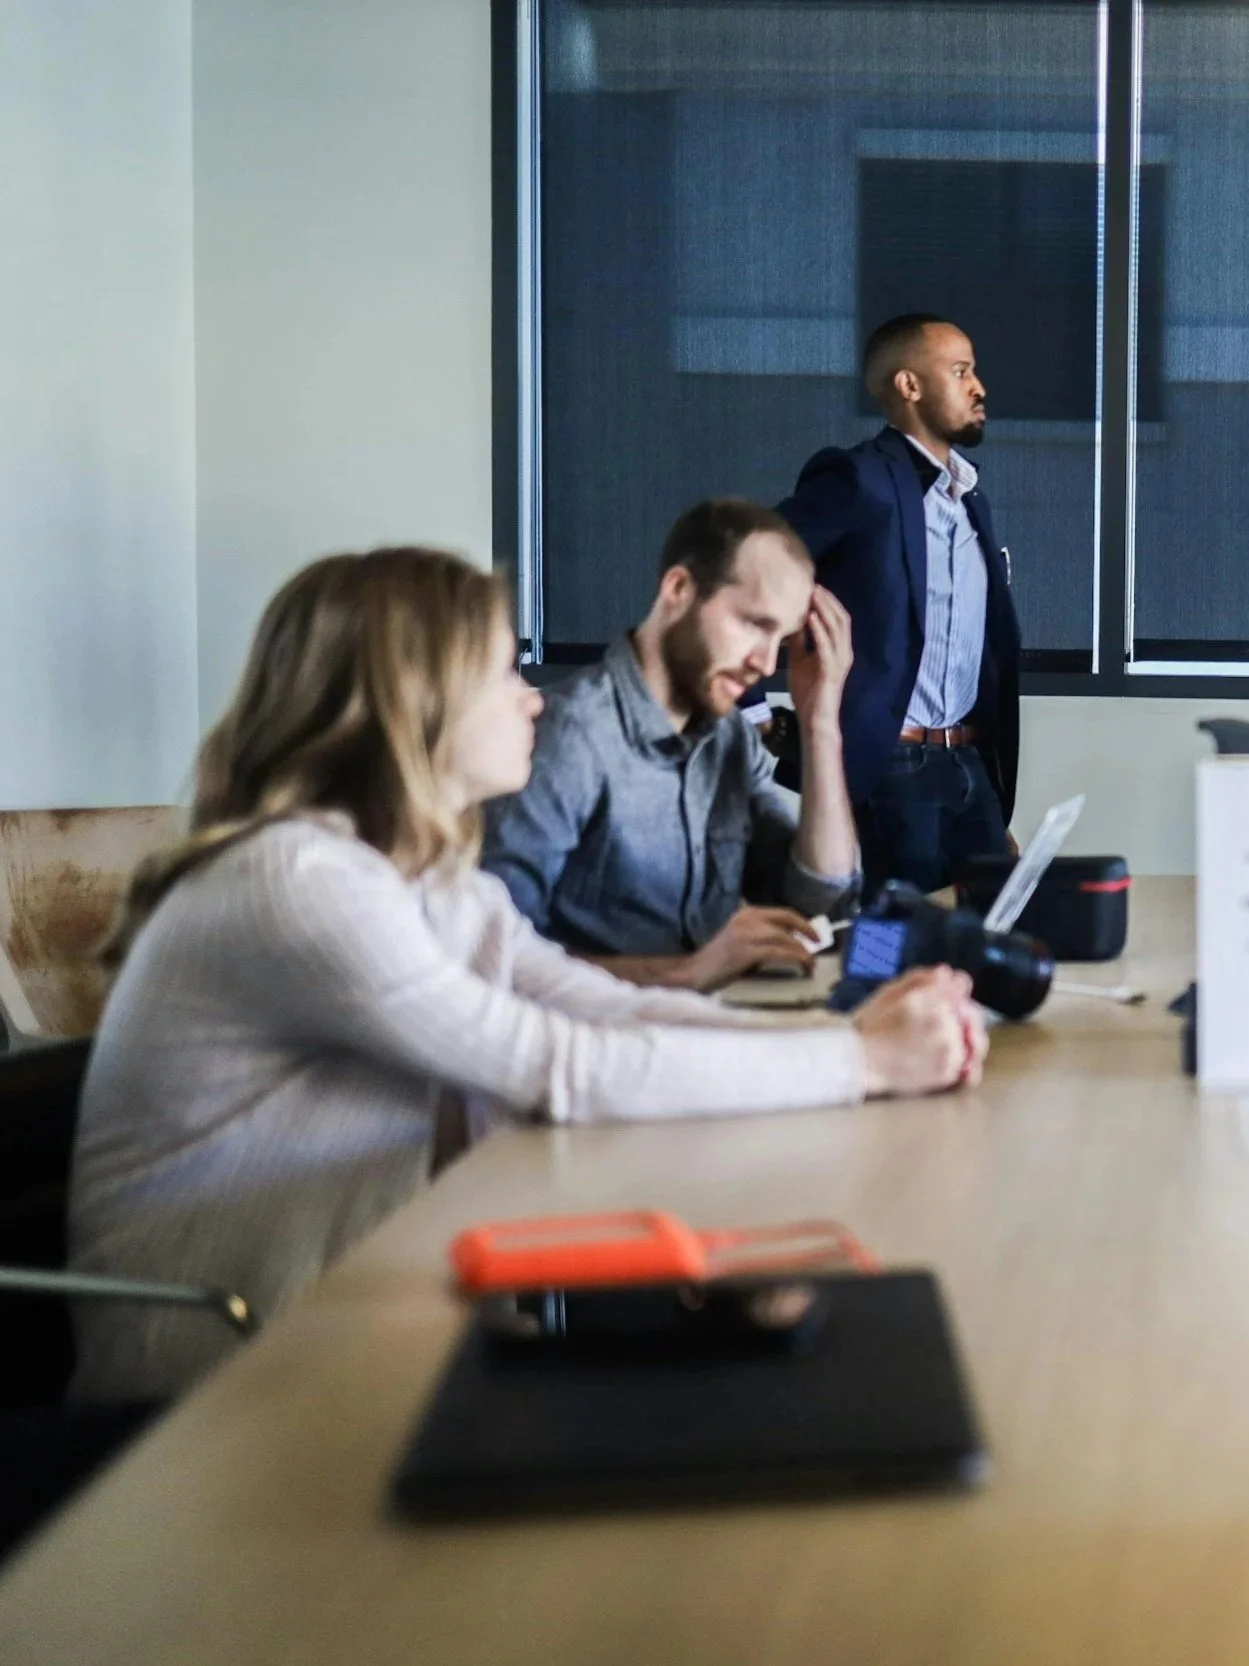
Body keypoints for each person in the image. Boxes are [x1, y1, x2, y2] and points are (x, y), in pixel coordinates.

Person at [69, 546, 987, 1401]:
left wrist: (845, 1046)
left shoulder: (416, 878)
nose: (533, 700)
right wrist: (860, 1065)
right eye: (503, 673)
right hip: (212, 1390)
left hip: (347, 1321)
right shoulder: (299, 883)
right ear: (414, 698)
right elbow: (562, 1068)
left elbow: (600, 1008)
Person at [481, 499, 860, 991]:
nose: (766, 665)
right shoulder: (568, 737)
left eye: (782, 642)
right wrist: (684, 974)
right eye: (753, 625)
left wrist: (821, 722)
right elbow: (492, 959)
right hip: (596, 1045)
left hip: (699, 1029)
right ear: (678, 589)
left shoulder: (730, 739)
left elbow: (819, 898)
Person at [751, 314, 1021, 896]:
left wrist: (988, 793)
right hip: (892, 770)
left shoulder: (972, 500)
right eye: (961, 371)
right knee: (884, 950)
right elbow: (742, 565)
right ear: (909, 386)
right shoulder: (857, 480)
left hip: (971, 768)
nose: (980, 387)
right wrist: (753, 709)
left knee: (978, 946)